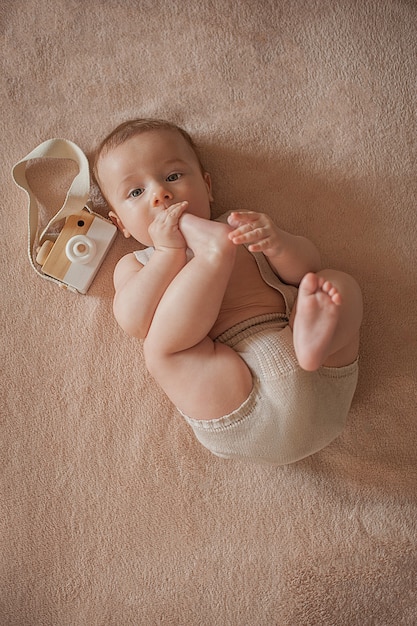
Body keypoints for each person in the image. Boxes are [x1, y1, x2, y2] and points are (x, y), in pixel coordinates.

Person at [93, 118, 363, 465]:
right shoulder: (138, 264)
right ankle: (214, 260)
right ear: (120, 224)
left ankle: (314, 340)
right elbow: (134, 320)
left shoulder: (239, 226)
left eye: (173, 176)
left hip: (315, 365)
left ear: (207, 186)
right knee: (160, 350)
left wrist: (278, 244)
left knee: (334, 282)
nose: (160, 194)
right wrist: (167, 254)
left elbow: (305, 268)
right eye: (136, 192)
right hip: (236, 404)